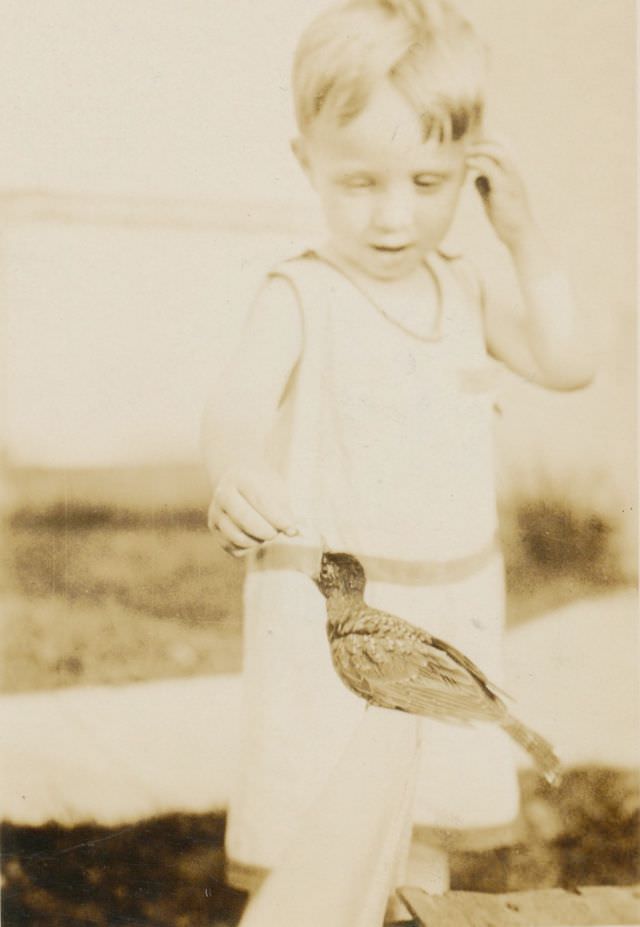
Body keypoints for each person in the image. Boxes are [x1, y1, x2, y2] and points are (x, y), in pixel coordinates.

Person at [202, 0, 594, 920]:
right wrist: (236, 469)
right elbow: (235, 405)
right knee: (322, 837)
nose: (391, 216)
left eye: (428, 181)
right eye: (359, 182)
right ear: (307, 164)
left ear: (472, 169)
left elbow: (568, 364)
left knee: (422, 839)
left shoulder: (460, 285)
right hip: (336, 627)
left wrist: (524, 237)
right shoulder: (304, 291)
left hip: (450, 612)